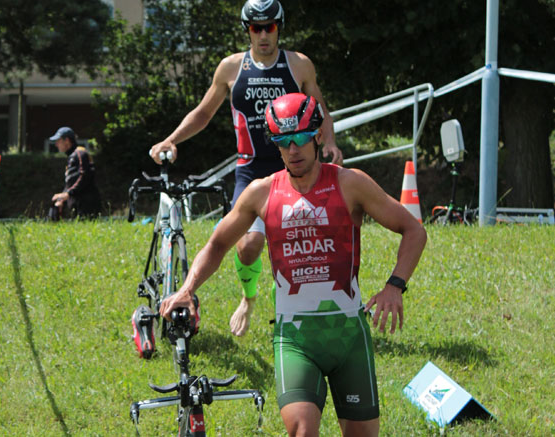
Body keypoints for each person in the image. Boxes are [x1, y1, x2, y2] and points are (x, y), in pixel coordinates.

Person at [159, 92, 427, 436]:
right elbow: (218, 243)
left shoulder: (350, 183)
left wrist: (395, 285)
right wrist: (186, 289)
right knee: (302, 430)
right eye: (283, 142)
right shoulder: (261, 192)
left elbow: (413, 230)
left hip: (349, 337)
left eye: (300, 138)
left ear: (317, 135)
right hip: (295, 338)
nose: (293, 150)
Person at [150, 0, 343, 337]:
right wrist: (171, 140)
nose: (264, 34)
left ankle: (290, 302)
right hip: (251, 170)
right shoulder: (230, 68)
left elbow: (319, 110)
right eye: (256, 28)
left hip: (294, 168)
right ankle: (248, 298)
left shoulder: (298, 65)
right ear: (247, 30)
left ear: (279, 27)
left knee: (301, 243)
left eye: (270, 26)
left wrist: (330, 143)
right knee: (248, 245)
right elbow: (204, 112)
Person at [49, 126, 102, 220]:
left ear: (67, 140)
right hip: (77, 205)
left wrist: (68, 194)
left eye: (58, 140)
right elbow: (71, 182)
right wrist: (62, 199)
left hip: (87, 205)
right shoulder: (72, 156)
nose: (56, 144)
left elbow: (85, 175)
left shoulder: (80, 153)